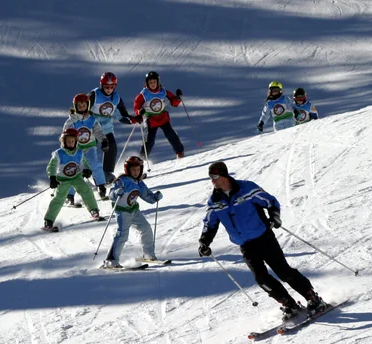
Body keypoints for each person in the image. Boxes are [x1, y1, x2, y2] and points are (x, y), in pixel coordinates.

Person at [198, 161, 328, 320]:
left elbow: (270, 201)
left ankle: (312, 298)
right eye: (211, 178)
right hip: (245, 245)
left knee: (283, 272)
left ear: (224, 175)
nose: (213, 181)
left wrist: (275, 216)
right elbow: (210, 223)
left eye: (215, 177)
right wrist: (204, 242)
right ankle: (289, 304)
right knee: (261, 279)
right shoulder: (215, 201)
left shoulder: (247, 188)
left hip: (264, 238)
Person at [102, 156, 163, 268]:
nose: (136, 172)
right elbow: (111, 194)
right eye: (133, 170)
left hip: (134, 210)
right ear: (127, 169)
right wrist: (116, 193)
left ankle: (148, 254)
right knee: (122, 235)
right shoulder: (122, 181)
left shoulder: (139, 183)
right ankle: (111, 260)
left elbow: (147, 196)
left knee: (146, 228)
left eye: (138, 169)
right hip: (122, 211)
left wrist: (155, 197)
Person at [43, 128, 102, 231]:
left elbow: (84, 164)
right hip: (62, 179)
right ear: (63, 141)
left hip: (76, 177)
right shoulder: (59, 153)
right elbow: (51, 167)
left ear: (76, 141)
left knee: (86, 190)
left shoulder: (79, 152)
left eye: (72, 141)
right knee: (59, 198)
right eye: (68, 141)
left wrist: (86, 170)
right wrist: (52, 177)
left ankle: (94, 211)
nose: (70, 143)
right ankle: (48, 221)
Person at [88, 72, 141, 184]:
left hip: (106, 129)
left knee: (111, 147)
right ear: (102, 85)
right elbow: (82, 108)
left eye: (111, 87)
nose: (109, 89)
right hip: (92, 129)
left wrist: (134, 119)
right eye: (107, 87)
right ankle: (83, 175)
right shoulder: (95, 95)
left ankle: (107, 174)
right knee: (89, 151)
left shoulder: (116, 98)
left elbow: (122, 116)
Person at [63, 93, 109, 202]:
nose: (82, 108)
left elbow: (98, 131)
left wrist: (103, 140)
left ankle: (100, 185)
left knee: (94, 164)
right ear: (75, 107)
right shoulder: (72, 121)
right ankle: (69, 194)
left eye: (84, 106)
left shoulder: (92, 119)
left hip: (90, 146)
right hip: (75, 149)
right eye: (79, 106)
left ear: (87, 106)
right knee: (73, 169)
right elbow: (64, 135)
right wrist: (65, 147)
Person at [133, 71, 185, 159]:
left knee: (171, 134)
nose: (152, 84)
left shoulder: (163, 92)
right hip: (150, 119)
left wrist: (178, 97)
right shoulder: (143, 94)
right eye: (150, 82)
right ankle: (142, 158)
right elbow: (136, 106)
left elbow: (173, 102)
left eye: (154, 82)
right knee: (149, 140)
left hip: (162, 117)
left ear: (158, 82)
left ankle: (180, 152)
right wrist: (139, 112)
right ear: (147, 83)